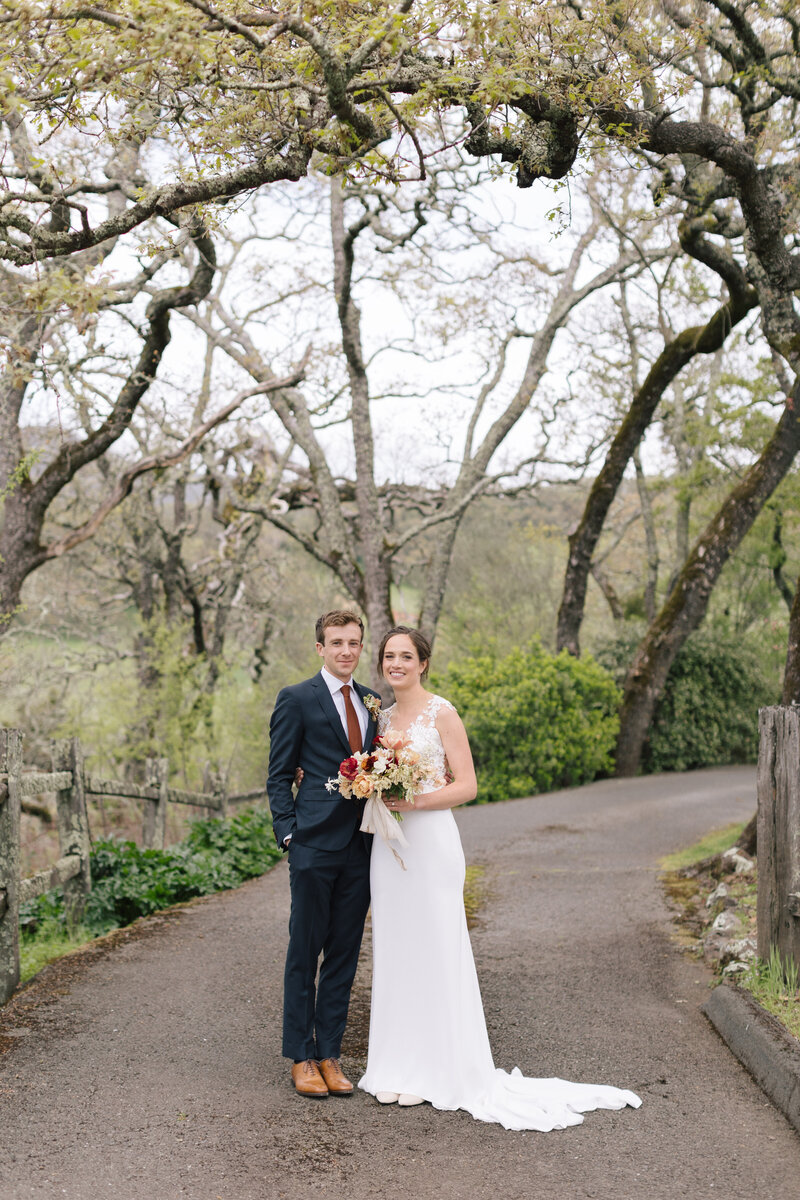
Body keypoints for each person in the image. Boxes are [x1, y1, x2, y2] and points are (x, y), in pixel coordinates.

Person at [358, 625, 642, 1130]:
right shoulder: (378, 716)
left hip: (433, 843)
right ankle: (397, 1065)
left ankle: (442, 1068)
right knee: (398, 947)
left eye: (406, 656)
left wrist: (414, 799)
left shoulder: (442, 713)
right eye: (388, 656)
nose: (395, 664)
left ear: (423, 662)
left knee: (438, 947)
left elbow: (467, 785)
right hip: (391, 846)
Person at [267, 610, 381, 1099]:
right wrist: (289, 834)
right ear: (320, 648)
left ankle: (330, 1054)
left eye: (353, 643)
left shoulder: (372, 702)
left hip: (361, 845)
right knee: (304, 950)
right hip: (312, 844)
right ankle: (301, 1057)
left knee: (343, 954)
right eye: (336, 642)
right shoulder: (296, 699)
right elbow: (277, 775)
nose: (345, 651)